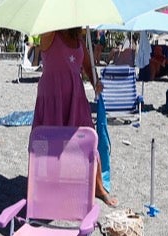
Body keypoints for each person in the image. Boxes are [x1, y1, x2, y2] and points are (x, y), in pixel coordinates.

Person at [33, 27, 113, 204]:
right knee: (47, 142)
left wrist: (96, 83)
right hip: (52, 97)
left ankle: (98, 188)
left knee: (88, 139)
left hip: (75, 98)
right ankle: (44, 184)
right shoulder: (49, 34)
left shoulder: (79, 42)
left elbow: (87, 68)